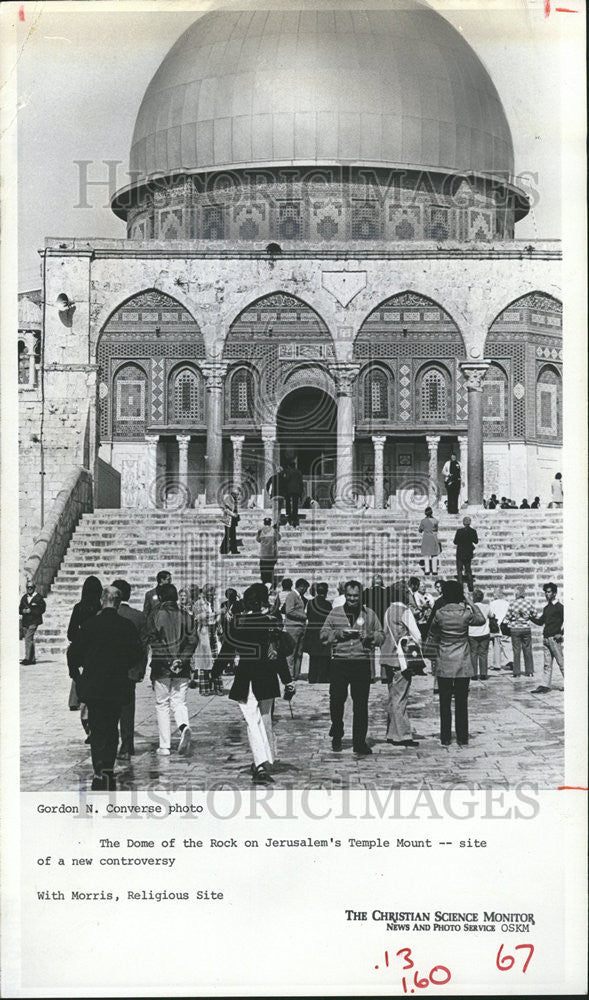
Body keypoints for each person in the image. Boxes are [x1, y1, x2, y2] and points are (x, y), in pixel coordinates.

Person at [67, 586, 144, 790]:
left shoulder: (90, 625)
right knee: (112, 728)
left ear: (102, 600)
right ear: (118, 603)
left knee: (98, 729)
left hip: (94, 686)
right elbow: (137, 654)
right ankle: (108, 770)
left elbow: (72, 654)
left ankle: (99, 772)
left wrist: (77, 676)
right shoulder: (126, 626)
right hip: (117, 685)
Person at [217, 584, 295, 784]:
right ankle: (264, 759)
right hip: (267, 677)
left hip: (246, 677)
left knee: (253, 722)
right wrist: (287, 680)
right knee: (263, 718)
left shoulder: (239, 623)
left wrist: (214, 673)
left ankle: (260, 764)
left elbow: (227, 651)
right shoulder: (271, 623)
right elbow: (277, 655)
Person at [320, 579, 384, 755]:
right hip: (340, 662)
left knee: (361, 704)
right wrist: (338, 634)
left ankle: (359, 742)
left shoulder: (369, 614)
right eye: (349, 596)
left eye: (356, 596)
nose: (352, 599)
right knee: (336, 700)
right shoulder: (335, 613)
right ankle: (337, 732)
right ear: (344, 595)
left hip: (361, 662)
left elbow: (382, 635)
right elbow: (323, 635)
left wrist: (370, 636)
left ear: (361, 596)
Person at [427, 580, 485, 746]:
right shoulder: (465, 613)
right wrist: (469, 600)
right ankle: (462, 737)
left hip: (444, 660)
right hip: (463, 661)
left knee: (444, 702)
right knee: (461, 701)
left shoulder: (439, 613)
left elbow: (433, 633)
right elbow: (481, 620)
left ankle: (445, 737)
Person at [147, 583, 198, 755]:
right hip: (182, 668)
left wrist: (169, 661)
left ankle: (165, 745)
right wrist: (181, 660)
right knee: (179, 702)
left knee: (162, 704)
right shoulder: (186, 616)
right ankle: (184, 727)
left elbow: (154, 641)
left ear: (160, 598)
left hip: (162, 666)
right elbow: (193, 641)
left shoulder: (154, 615)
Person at [380, 581, 422, 747]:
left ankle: (391, 732)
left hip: (388, 657)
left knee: (392, 696)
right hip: (401, 659)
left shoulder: (388, 610)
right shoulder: (405, 611)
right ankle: (403, 735)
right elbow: (417, 635)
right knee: (401, 697)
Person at [112, 579, 148, 760]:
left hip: (109, 671)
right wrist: (140, 670)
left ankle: (110, 745)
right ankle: (127, 746)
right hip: (130, 672)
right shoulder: (139, 616)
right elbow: (144, 646)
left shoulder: (105, 614)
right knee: (127, 709)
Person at [67, 575, 103, 739]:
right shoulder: (102, 609)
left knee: (84, 690)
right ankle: (96, 726)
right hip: (99, 654)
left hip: (83, 655)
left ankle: (88, 725)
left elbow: (70, 634)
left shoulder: (78, 608)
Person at [531, 583, 564, 693]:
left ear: (554, 593)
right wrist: (530, 617)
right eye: (545, 592)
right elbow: (541, 622)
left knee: (561, 662)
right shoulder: (546, 608)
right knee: (547, 664)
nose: (546, 594)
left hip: (555, 639)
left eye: (549, 592)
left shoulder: (560, 607)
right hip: (546, 639)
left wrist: (561, 633)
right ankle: (545, 685)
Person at [504, 585, 536, 678]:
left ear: (516, 594)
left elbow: (508, 617)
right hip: (526, 628)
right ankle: (529, 671)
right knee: (528, 649)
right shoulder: (529, 603)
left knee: (516, 650)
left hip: (515, 629)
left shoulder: (512, 604)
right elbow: (534, 614)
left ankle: (516, 672)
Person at [305, 582, 332, 683]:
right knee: (324, 655)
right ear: (326, 592)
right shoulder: (328, 604)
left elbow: (308, 615)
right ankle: (323, 677)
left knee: (313, 655)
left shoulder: (310, 603)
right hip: (323, 630)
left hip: (312, 631)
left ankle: (312, 677)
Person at [280, 577, 307, 680]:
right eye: (305, 588)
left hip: (300, 627)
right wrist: (303, 616)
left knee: (299, 652)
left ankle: (296, 673)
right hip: (293, 627)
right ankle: (290, 674)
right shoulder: (292, 595)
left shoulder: (299, 597)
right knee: (291, 652)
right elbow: (289, 611)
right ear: (302, 587)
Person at [19, 580, 46, 664]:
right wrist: (23, 611)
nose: (29, 589)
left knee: (28, 638)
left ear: (34, 588)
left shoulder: (38, 597)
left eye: (31, 587)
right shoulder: (24, 597)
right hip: (25, 622)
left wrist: (31, 611)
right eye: (28, 587)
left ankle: (27, 659)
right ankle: (32, 659)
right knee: (30, 639)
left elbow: (42, 609)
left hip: (34, 621)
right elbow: (19, 609)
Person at [468, 587, 491, 680]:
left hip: (472, 633)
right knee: (483, 653)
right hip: (484, 632)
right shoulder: (486, 606)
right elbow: (492, 615)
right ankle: (483, 673)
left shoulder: (470, 607)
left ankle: (473, 674)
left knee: (473, 653)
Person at [487, 591, 513, 671]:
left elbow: (490, 614)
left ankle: (497, 664)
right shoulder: (507, 603)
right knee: (507, 644)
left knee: (496, 644)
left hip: (495, 625)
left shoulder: (492, 603)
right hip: (505, 625)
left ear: (495, 596)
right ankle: (511, 660)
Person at [453, 515, 479, 591]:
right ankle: (471, 586)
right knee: (468, 570)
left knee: (459, 570)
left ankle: (460, 587)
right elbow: (476, 541)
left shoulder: (459, 531)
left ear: (463, 523)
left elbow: (455, 542)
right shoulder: (473, 531)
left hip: (460, 553)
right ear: (470, 523)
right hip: (468, 553)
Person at [256, 518, 281, 584]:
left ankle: (264, 583)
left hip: (263, 555)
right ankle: (270, 584)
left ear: (264, 523)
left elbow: (258, 540)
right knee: (270, 571)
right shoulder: (273, 530)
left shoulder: (260, 531)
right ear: (270, 523)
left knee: (263, 571)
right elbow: (278, 538)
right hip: (271, 555)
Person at [418, 506, 440, 576]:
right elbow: (436, 529)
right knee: (434, 555)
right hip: (433, 538)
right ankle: (434, 570)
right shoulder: (435, 520)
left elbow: (420, 530)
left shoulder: (423, 521)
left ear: (425, 513)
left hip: (426, 539)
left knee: (426, 555)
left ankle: (427, 570)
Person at [284, 460, 304, 529]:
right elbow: (301, 483)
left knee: (288, 502)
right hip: (296, 490)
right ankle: (294, 518)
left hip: (289, 490)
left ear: (289, 466)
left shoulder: (288, 471)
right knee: (295, 504)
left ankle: (289, 515)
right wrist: (301, 492)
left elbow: (286, 479)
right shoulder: (299, 472)